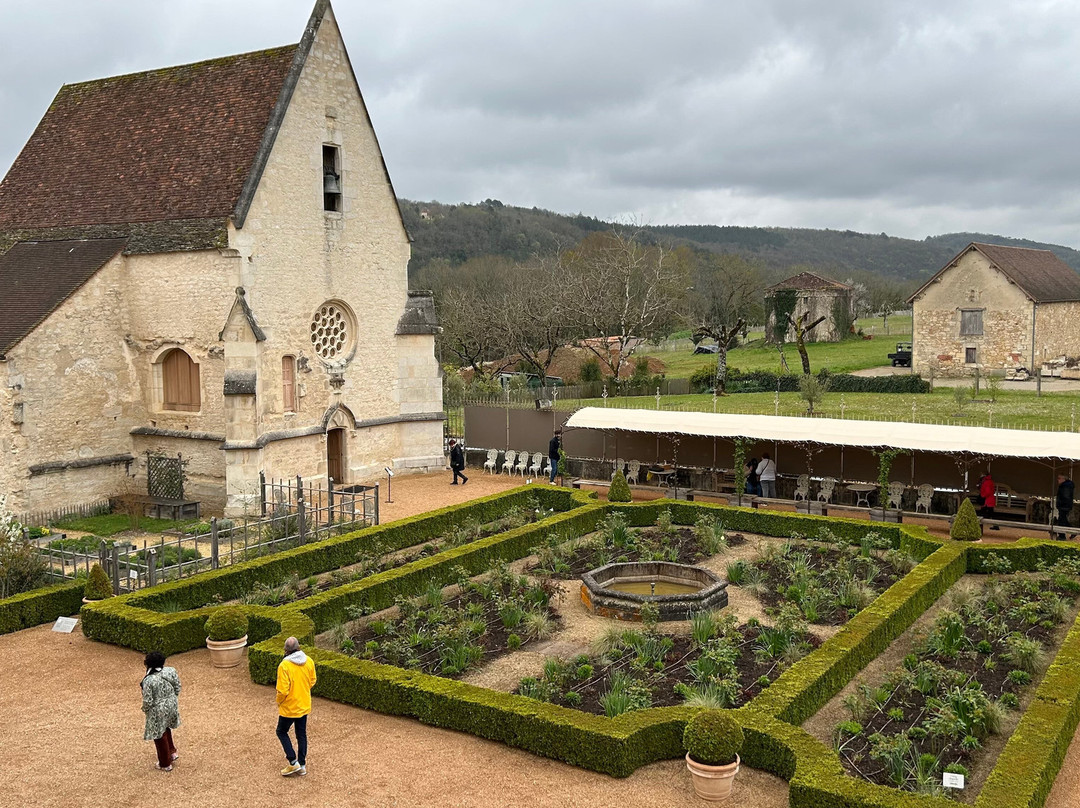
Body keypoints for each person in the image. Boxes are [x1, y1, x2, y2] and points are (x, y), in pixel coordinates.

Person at [276, 636, 317, 777]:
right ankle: (302, 765)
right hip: (303, 704)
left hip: (289, 707)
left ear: (286, 650)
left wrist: (279, 701)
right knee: (301, 734)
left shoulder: (284, 666)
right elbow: (312, 680)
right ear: (299, 647)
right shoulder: (309, 661)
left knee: (281, 731)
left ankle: (293, 762)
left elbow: (282, 690)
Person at [141, 651, 181, 772]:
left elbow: (148, 700)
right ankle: (172, 752)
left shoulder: (149, 680)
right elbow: (178, 687)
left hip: (158, 709)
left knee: (159, 735)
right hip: (171, 704)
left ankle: (165, 763)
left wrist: (145, 710)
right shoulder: (171, 671)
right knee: (166, 727)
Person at [1056, 473, 1075, 539]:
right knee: (1063, 520)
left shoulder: (1065, 487)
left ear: (1063, 479)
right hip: (1064, 506)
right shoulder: (1065, 486)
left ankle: (1062, 536)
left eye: (1059, 478)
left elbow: (1065, 496)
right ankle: (1072, 531)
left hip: (1064, 506)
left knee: (1061, 521)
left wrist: (1061, 504)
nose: (1057, 480)